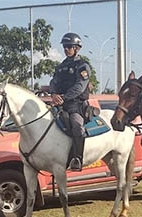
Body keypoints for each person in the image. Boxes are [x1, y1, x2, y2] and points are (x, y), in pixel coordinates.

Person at [49, 32, 91, 172]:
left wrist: (64, 97)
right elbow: (53, 82)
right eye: (64, 46)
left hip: (76, 106)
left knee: (77, 127)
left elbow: (80, 87)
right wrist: (54, 93)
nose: (66, 49)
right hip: (60, 104)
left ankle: (77, 159)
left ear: (77, 48)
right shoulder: (61, 66)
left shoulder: (83, 66)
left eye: (69, 46)